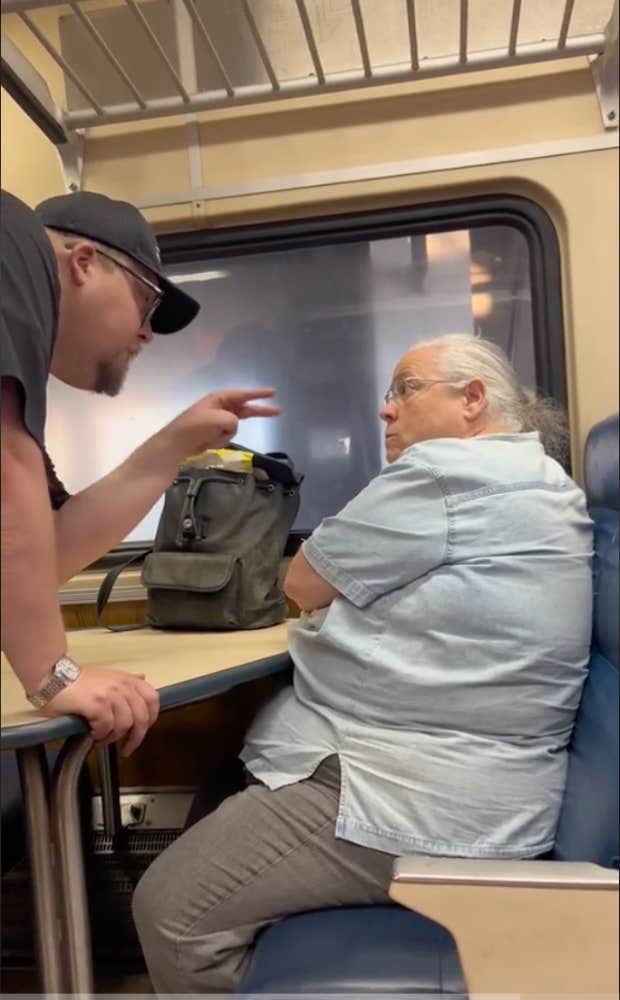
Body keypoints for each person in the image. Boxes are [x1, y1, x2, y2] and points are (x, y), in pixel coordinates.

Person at [132, 333, 593, 993]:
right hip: (484, 783)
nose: (386, 409)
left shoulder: (445, 473)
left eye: (407, 389)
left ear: (472, 400)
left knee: (169, 909)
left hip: (421, 794)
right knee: (220, 787)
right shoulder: (539, 478)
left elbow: (305, 581)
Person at [0, 189, 279, 756]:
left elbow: (40, 556)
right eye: (146, 303)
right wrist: (55, 675)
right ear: (82, 264)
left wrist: (171, 447)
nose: (148, 333)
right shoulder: (13, 238)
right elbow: (5, 481)